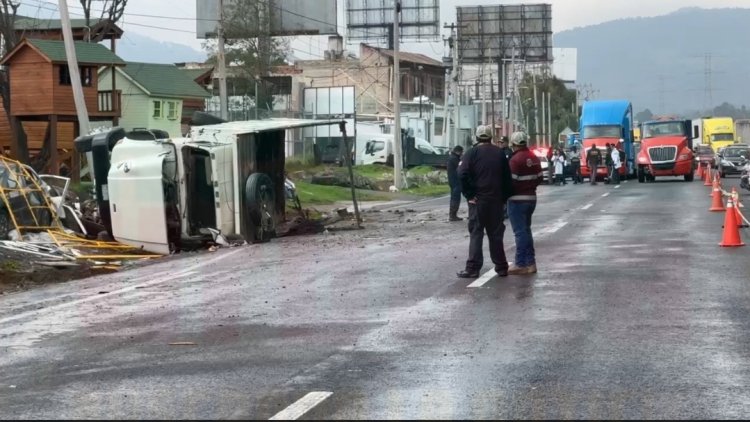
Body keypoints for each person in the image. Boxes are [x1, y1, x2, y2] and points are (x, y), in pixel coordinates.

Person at [456, 125, 513, 279]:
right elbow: (508, 178)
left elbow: (461, 173)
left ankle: (473, 268)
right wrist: (503, 198)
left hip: (478, 201)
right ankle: (501, 267)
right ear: (490, 137)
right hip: (495, 201)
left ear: (476, 137)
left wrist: (469, 194)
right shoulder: (499, 153)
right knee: (496, 235)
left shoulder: (471, 153)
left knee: (476, 233)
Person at [507, 131, 543, 275]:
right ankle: (530, 263)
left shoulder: (515, 160)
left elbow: (511, 182)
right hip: (531, 198)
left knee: (520, 232)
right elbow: (540, 177)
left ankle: (521, 263)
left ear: (513, 144)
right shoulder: (533, 157)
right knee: (526, 231)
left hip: (517, 200)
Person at [447, 145, 464, 221]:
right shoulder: (455, 159)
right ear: (458, 151)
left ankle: (452, 214)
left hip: (452, 180)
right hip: (455, 181)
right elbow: (460, 168)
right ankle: (453, 215)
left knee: (454, 197)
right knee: (456, 198)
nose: (462, 153)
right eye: (461, 152)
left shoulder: (452, 158)